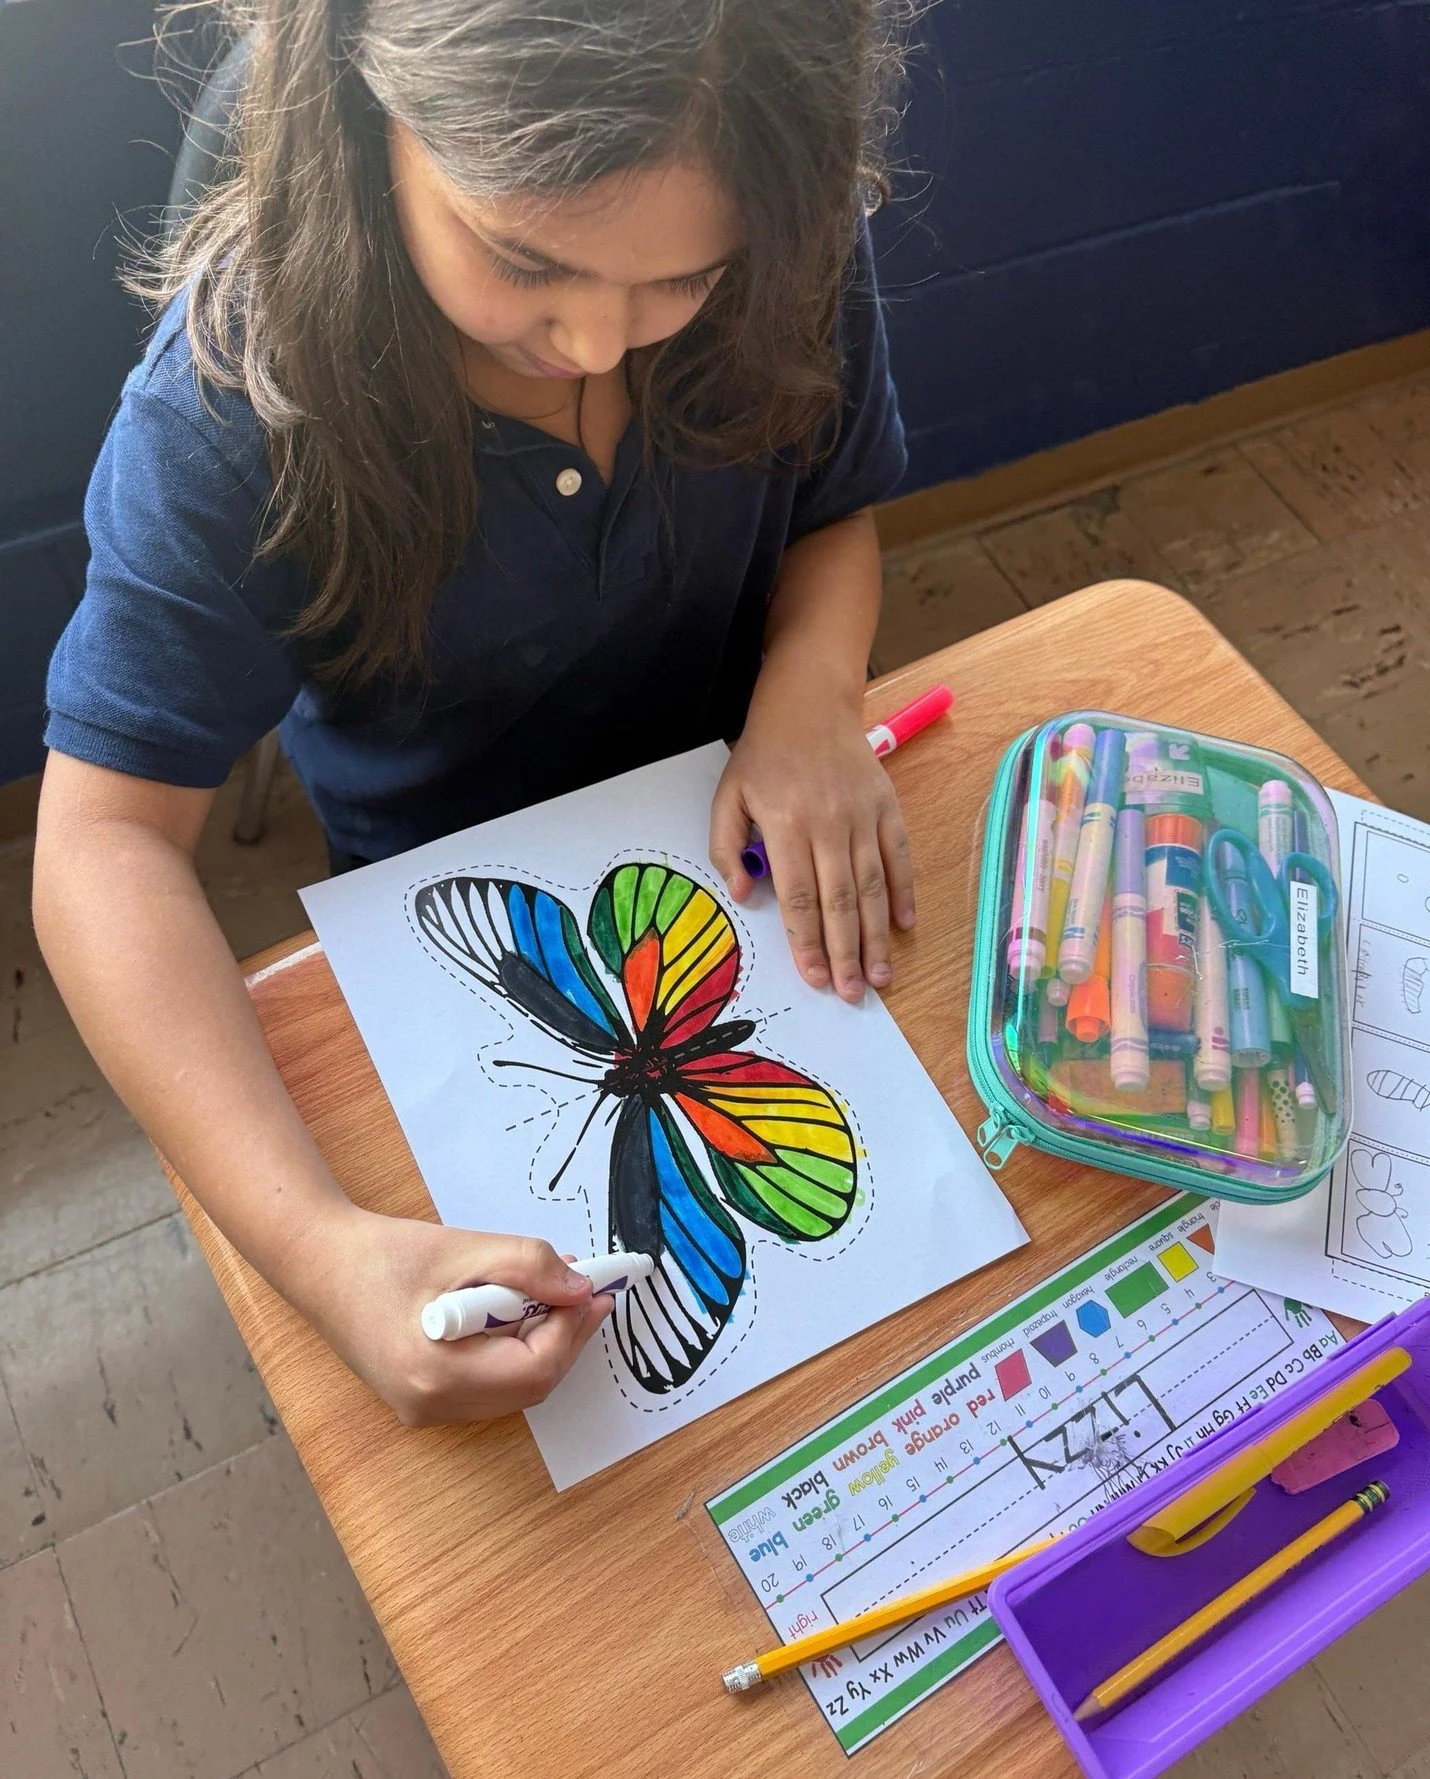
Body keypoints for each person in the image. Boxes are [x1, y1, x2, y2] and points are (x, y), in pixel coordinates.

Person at [33, 0, 914, 1426]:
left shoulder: (784, 221)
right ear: (371, 120)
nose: (596, 340)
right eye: (526, 261)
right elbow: (100, 846)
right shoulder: (226, 412)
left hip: (744, 845)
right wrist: (323, 1252)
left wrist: (812, 690)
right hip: (449, 925)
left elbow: (832, 510)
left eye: (683, 279)